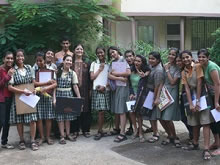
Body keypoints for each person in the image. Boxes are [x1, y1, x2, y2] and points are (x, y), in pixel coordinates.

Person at [180, 50, 212, 160]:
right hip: (191, 97)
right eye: (183, 58)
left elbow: (199, 83)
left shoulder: (197, 66)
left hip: (202, 96)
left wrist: (198, 101)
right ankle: (195, 143)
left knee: (205, 122)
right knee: (194, 123)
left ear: (191, 57)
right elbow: (187, 89)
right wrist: (190, 104)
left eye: (187, 57)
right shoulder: (183, 72)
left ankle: (206, 149)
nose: (185, 59)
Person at [8, 49, 38, 151]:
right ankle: (21, 141)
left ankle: (33, 141)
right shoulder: (12, 70)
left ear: (24, 57)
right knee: (19, 121)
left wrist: (34, 89)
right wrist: (22, 92)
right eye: (18, 56)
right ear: (15, 58)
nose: (20, 58)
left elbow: (33, 82)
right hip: (18, 98)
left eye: (21, 56)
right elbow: (10, 87)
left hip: (29, 97)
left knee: (33, 119)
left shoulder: (29, 68)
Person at [198, 48, 220, 156]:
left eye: (203, 57)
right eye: (200, 56)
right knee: (214, 121)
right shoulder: (202, 65)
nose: (201, 58)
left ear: (208, 57)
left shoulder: (211, 67)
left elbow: (217, 84)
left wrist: (216, 102)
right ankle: (216, 142)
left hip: (217, 95)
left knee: (219, 120)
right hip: (211, 95)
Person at [55, 55, 81, 144]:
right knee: (60, 117)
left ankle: (68, 134)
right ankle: (62, 136)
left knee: (68, 116)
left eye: (70, 61)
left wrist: (78, 98)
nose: (69, 62)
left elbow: (75, 86)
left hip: (68, 95)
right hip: (59, 94)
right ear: (63, 61)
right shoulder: (57, 72)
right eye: (67, 60)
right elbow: (54, 86)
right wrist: (54, 98)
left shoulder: (72, 73)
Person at [33, 52, 57, 145]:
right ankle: (42, 137)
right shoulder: (34, 69)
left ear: (44, 60)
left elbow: (55, 84)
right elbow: (34, 83)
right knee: (39, 117)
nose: (39, 62)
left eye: (41, 60)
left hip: (48, 96)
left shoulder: (51, 70)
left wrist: (46, 88)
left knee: (48, 117)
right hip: (38, 96)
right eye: (37, 61)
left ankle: (48, 136)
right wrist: (46, 83)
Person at [108, 46, 131, 142]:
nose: (112, 54)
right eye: (110, 53)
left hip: (123, 88)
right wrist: (120, 78)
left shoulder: (123, 60)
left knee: (121, 110)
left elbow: (128, 72)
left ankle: (122, 133)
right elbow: (109, 75)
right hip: (116, 88)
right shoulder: (112, 62)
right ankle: (117, 129)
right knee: (117, 109)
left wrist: (115, 74)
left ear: (117, 51)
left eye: (113, 52)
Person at [160, 48, 182, 147]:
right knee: (160, 117)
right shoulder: (164, 65)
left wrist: (167, 70)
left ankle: (174, 136)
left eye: (173, 54)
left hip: (172, 93)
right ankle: (170, 136)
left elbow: (173, 82)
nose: (171, 56)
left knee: (168, 117)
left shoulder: (178, 67)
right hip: (163, 92)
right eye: (170, 54)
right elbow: (161, 80)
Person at [71, 44, 92, 138]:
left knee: (86, 109)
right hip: (73, 90)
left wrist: (90, 89)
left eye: (81, 49)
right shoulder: (70, 63)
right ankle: (75, 130)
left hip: (85, 89)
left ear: (83, 51)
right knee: (74, 109)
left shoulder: (87, 63)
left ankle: (85, 129)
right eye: (77, 49)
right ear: (74, 51)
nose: (79, 50)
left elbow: (90, 78)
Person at [90, 47, 110, 140]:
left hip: (106, 89)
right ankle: (99, 131)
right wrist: (100, 69)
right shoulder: (94, 64)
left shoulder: (109, 64)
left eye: (101, 52)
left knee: (103, 111)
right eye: (98, 53)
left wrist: (105, 86)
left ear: (105, 53)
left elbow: (111, 78)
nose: (100, 54)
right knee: (100, 111)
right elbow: (92, 77)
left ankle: (101, 130)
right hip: (97, 89)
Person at [145, 51, 164, 143]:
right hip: (149, 92)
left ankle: (156, 133)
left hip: (153, 93)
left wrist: (154, 98)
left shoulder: (159, 70)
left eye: (153, 59)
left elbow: (157, 85)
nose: (150, 60)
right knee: (150, 114)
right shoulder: (151, 67)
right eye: (149, 58)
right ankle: (154, 130)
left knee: (153, 115)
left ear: (158, 60)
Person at [132, 55, 150, 142]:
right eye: (135, 60)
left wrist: (144, 75)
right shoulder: (131, 70)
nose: (136, 62)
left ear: (142, 62)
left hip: (141, 95)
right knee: (131, 113)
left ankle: (140, 133)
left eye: (139, 61)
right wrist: (131, 93)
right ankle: (135, 130)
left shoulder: (146, 71)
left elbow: (148, 72)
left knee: (139, 114)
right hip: (132, 95)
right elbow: (129, 83)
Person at [176, 54, 193, 143]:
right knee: (183, 117)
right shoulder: (180, 70)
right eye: (177, 61)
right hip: (182, 96)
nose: (179, 62)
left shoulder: (189, 69)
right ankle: (192, 134)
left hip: (190, 95)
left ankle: (193, 136)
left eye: (180, 60)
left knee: (191, 117)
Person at [0, 51, 15, 149]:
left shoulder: (12, 69)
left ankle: (4, 142)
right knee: (1, 121)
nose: (10, 60)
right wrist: (8, 76)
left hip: (10, 98)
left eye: (11, 58)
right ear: (3, 59)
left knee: (7, 122)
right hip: (1, 99)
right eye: (8, 58)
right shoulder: (1, 69)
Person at [124, 50, 135, 135]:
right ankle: (132, 127)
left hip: (139, 91)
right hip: (128, 91)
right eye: (127, 57)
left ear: (134, 56)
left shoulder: (138, 65)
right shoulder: (125, 67)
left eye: (130, 56)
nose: (129, 58)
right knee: (129, 111)